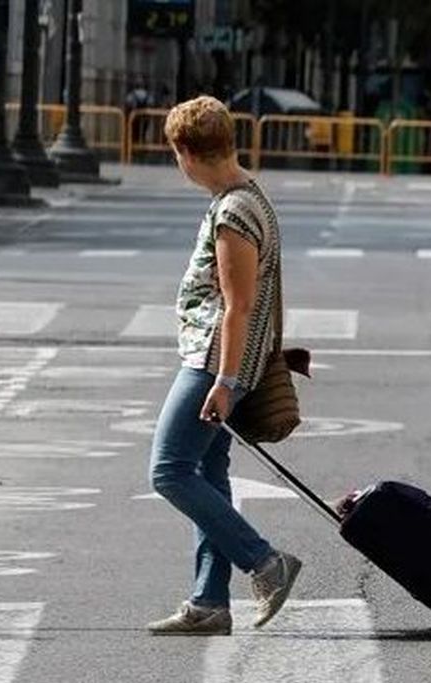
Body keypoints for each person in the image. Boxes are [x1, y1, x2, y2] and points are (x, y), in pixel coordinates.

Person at [145, 96, 302, 636]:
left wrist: (226, 382)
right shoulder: (246, 195)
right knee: (208, 473)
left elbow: (239, 305)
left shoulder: (235, 211)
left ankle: (263, 561)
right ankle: (209, 602)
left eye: (176, 154)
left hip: (214, 361)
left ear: (187, 153)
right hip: (220, 359)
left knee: (167, 470)